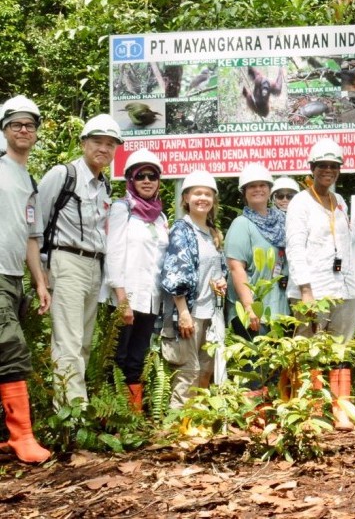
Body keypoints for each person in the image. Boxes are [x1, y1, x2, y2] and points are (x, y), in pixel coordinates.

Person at [285, 138, 355, 431]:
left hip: (343, 289)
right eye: (323, 165)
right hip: (313, 291)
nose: (328, 170)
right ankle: (311, 412)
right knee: (310, 351)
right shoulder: (301, 203)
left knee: (341, 350)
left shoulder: (337, 201)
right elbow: (294, 248)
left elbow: (345, 237)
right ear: (312, 168)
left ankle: (341, 412)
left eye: (334, 166)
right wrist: (305, 291)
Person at [40, 114, 121, 408]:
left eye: (110, 144)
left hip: (93, 267)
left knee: (84, 341)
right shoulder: (63, 175)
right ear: (84, 142)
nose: (103, 148)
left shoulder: (105, 187)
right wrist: (40, 272)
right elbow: (37, 222)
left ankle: (72, 408)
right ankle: (73, 414)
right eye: (97, 141)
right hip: (66, 260)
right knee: (69, 341)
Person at [0, 96, 51, 462]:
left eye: (29, 125)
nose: (23, 130)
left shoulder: (28, 179)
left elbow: (32, 236)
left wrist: (40, 282)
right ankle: (22, 438)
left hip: (14, 274)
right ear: (4, 130)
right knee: (11, 347)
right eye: (16, 124)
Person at [104, 148, 168, 412]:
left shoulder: (161, 217)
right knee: (117, 358)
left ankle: (133, 417)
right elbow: (114, 252)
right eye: (140, 175)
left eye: (152, 175)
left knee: (137, 358)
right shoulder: (122, 209)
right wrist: (122, 300)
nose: (146, 180)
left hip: (150, 299)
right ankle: (113, 416)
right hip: (126, 297)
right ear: (130, 179)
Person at [160, 170, 227, 409]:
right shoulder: (181, 230)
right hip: (189, 312)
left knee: (206, 369)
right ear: (186, 198)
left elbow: (217, 270)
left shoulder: (213, 233)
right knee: (188, 370)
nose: (202, 198)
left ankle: (198, 420)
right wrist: (183, 312)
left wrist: (221, 281)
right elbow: (175, 272)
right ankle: (180, 426)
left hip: (211, 313)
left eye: (208, 194)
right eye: (197, 193)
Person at [226, 164, 289, 344]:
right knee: (255, 367)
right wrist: (249, 306)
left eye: (263, 185)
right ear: (244, 191)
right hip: (253, 310)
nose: (258, 189)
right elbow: (236, 268)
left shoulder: (282, 222)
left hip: (280, 308)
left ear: (270, 190)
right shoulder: (241, 224)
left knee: (277, 368)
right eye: (252, 186)